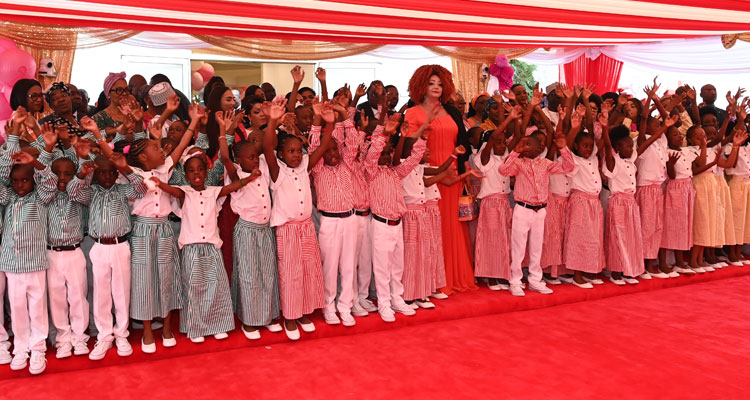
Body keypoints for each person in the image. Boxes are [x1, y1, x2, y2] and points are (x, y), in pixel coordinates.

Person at [108, 101, 195, 353]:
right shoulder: (131, 172)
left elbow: (179, 148)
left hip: (165, 228)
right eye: (156, 148)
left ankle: (166, 326)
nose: (162, 150)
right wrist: (134, 125)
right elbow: (115, 157)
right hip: (142, 231)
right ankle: (147, 328)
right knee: (145, 279)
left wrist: (195, 122)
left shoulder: (165, 169)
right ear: (143, 157)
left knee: (166, 277)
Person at [69, 134, 147, 361]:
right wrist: (82, 174)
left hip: (121, 245)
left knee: (121, 292)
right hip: (99, 247)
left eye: (110, 172)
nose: (105, 176)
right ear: (94, 175)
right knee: (101, 293)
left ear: (116, 174)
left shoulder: (123, 190)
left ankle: (121, 333)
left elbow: (141, 190)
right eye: (100, 173)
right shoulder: (90, 192)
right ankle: (104, 335)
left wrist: (127, 169)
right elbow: (73, 193)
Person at [404, 65, 475, 295]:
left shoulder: (453, 111)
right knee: (433, 229)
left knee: (453, 226)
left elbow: (463, 143)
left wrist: (464, 173)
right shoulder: (412, 112)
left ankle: (454, 277)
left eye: (440, 83)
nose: (436, 87)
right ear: (420, 86)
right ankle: (433, 281)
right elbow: (407, 146)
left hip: (453, 174)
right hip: (427, 177)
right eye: (431, 83)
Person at [263, 97, 326, 340]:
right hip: (288, 230)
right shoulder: (277, 171)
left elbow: (321, 147)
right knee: (290, 273)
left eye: (298, 151)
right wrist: (272, 121)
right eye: (290, 151)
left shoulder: (304, 167)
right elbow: (267, 148)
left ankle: (304, 312)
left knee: (309, 269)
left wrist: (325, 121)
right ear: (280, 154)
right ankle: (289, 316)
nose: (296, 155)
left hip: (307, 228)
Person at [216, 113, 281, 340]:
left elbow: (268, 144)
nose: (255, 160)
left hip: (264, 231)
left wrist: (274, 120)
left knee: (267, 273)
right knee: (249, 275)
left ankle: (269, 315)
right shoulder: (236, 175)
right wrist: (224, 133)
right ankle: (250, 321)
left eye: (256, 156)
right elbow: (224, 158)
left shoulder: (262, 167)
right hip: (247, 231)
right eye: (250, 157)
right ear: (240, 161)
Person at [0, 123, 57, 375]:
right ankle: (20, 346)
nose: (20, 185)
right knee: (17, 307)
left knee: (37, 306)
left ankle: (38, 348)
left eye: (25, 180)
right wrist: (12, 142)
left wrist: (35, 162)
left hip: (35, 265)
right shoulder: (8, 198)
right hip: (11, 264)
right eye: (16, 181)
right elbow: (2, 177)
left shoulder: (40, 198)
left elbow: (50, 182)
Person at [365, 113, 427, 322]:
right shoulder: (371, 172)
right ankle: (383, 303)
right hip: (380, 224)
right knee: (382, 267)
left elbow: (413, 159)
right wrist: (384, 135)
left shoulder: (395, 172)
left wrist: (423, 139)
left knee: (397, 265)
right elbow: (372, 154)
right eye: (382, 153)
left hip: (397, 224)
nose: (384, 157)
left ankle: (397, 299)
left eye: (388, 153)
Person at [499, 127, 574, 296]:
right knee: (518, 248)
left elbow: (568, 168)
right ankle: (516, 281)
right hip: (523, 209)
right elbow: (503, 170)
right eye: (534, 143)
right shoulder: (518, 163)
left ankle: (534, 279)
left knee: (536, 247)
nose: (540, 146)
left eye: (541, 144)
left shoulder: (546, 163)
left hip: (540, 210)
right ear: (525, 147)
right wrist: (515, 153)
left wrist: (563, 148)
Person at [307, 100, 359, 326]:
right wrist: (319, 120)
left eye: (335, 149)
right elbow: (313, 146)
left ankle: (345, 306)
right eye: (327, 151)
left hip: (350, 218)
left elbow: (354, 142)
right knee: (329, 266)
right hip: (329, 221)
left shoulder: (347, 164)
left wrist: (342, 114)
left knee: (349, 265)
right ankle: (329, 305)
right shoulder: (317, 169)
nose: (333, 154)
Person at [473, 106, 520, 290]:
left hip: (504, 202)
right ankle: (489, 276)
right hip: (490, 204)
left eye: (503, 143)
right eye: (498, 143)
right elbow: (493, 138)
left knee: (504, 238)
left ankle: (501, 273)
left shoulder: (506, 158)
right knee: (490, 239)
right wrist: (506, 121)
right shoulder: (486, 159)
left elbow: (516, 137)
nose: (502, 145)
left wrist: (515, 117)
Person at [563, 110, 606, 288]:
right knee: (578, 237)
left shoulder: (594, 158)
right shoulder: (573, 160)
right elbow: (567, 145)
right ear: (576, 148)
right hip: (580, 202)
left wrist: (604, 124)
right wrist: (574, 128)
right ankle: (577, 274)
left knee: (594, 237)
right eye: (584, 146)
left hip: (594, 203)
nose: (588, 149)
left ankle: (590, 269)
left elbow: (601, 143)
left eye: (590, 146)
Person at [663, 123, 697, 272]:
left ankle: (680, 260)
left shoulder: (686, 150)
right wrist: (671, 164)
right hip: (675, 188)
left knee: (685, 225)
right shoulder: (666, 152)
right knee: (672, 225)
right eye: (675, 135)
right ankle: (667, 261)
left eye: (679, 134)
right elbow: (671, 175)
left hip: (687, 187)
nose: (679, 136)